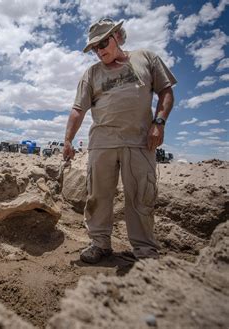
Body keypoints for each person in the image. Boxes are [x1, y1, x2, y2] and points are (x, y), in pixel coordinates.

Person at [62, 18, 177, 264]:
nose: (99, 49)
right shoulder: (91, 73)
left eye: (103, 42)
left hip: (139, 142)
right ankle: (100, 244)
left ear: (117, 37)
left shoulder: (146, 58)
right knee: (98, 197)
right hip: (102, 143)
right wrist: (68, 140)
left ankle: (145, 251)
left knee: (141, 196)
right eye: (94, 47)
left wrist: (159, 123)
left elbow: (166, 91)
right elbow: (77, 110)